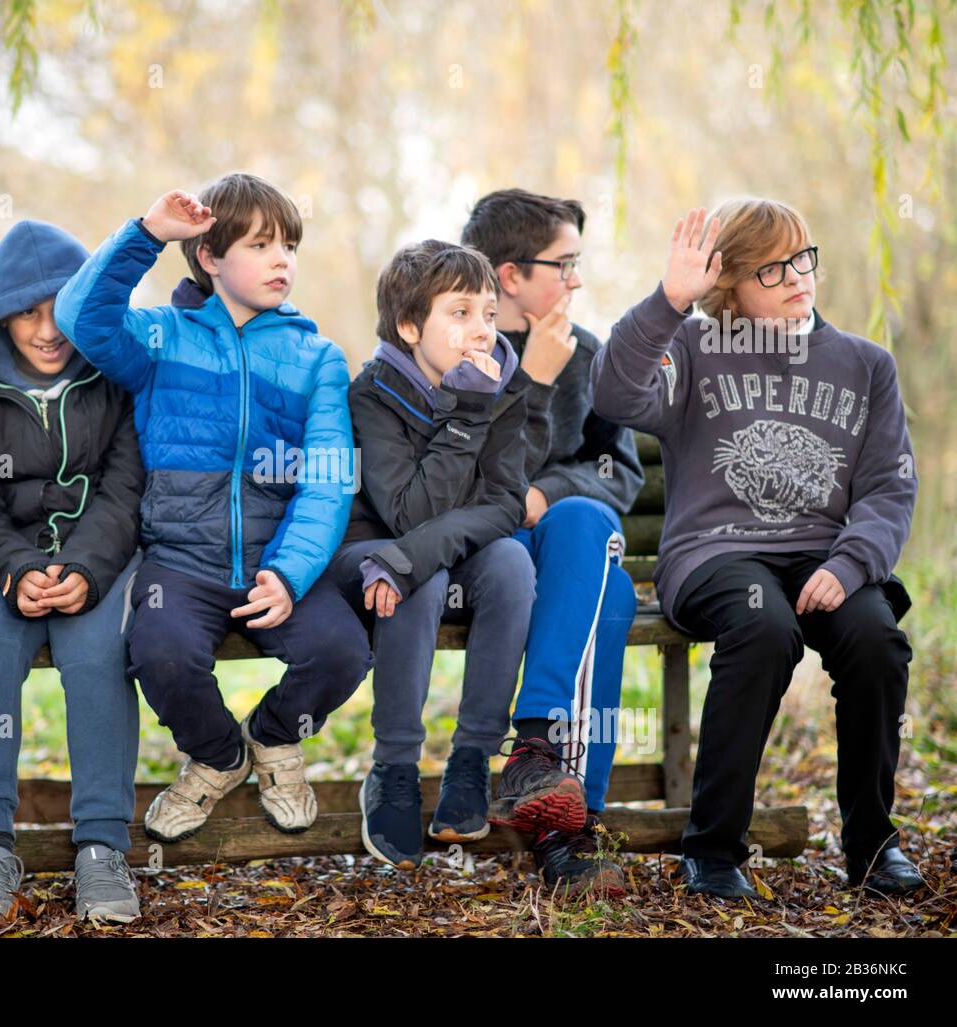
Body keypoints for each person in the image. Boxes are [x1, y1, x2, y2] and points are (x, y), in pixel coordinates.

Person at [590, 201, 922, 899]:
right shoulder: (693, 346)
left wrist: (850, 562)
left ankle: (871, 844)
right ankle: (712, 851)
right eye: (773, 268)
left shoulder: (866, 366)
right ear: (731, 282)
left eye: (804, 257)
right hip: (715, 554)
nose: (798, 276)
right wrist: (668, 301)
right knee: (764, 626)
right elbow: (616, 393)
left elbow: (889, 490)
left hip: (824, 557)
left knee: (875, 639)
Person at [54, 174, 374, 844]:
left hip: (278, 559)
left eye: (289, 244)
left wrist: (288, 573)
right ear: (209, 257)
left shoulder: (316, 357)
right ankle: (220, 755)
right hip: (181, 561)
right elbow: (78, 317)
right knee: (159, 652)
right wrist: (145, 235)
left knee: (342, 651)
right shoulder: (160, 340)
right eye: (261, 244)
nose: (282, 258)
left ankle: (274, 736)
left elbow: (328, 478)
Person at [0, 219, 146, 929]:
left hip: (100, 555)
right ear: (0, 312)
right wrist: (16, 566)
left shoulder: (113, 377)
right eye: (27, 310)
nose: (48, 327)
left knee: (99, 653)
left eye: (60, 305)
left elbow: (125, 490)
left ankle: (102, 847)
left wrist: (86, 567)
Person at [327, 239, 538, 869]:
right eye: (460, 313)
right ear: (410, 325)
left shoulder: (500, 385)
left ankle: (472, 758)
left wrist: (414, 555)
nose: (481, 330)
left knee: (511, 563)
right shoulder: (373, 394)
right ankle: (393, 765)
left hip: (430, 554)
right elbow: (406, 514)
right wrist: (468, 413)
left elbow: (505, 503)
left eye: (489, 314)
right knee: (419, 575)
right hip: (368, 553)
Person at [461, 188, 644, 895]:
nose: (576, 279)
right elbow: (463, 480)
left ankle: (539, 759)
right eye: (563, 264)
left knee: (587, 530)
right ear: (510, 274)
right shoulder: (458, 345)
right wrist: (518, 497)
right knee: (608, 587)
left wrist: (551, 492)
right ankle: (572, 831)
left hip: (567, 551)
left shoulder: (587, 355)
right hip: (486, 557)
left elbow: (618, 472)